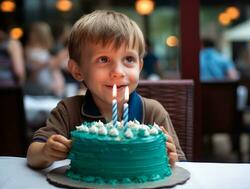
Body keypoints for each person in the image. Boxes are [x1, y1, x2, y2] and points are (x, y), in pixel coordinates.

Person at [27, 10, 185, 169]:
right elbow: (33, 155)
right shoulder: (68, 111)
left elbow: (179, 162)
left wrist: (171, 158)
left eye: (129, 59)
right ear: (77, 70)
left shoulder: (152, 112)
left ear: (140, 66)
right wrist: (46, 151)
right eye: (103, 59)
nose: (118, 72)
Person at [25, 22, 65, 96]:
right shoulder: (28, 50)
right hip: (39, 87)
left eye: (32, 32)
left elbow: (53, 67)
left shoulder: (45, 49)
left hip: (49, 86)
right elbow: (32, 67)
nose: (30, 35)